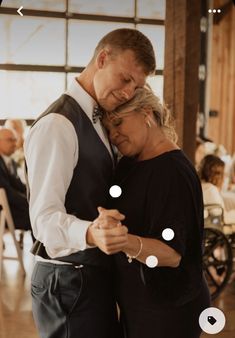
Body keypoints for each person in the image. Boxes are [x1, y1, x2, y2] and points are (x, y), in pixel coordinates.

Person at [24, 28, 156, 338]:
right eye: (125, 79)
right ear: (102, 58)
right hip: (68, 280)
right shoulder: (58, 125)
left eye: (136, 87)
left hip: (90, 274)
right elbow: (43, 220)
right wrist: (90, 233)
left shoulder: (101, 118)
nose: (127, 93)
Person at [96, 86, 210, 338]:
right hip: (138, 302)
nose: (114, 135)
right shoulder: (129, 165)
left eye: (118, 123)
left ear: (146, 113)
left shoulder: (172, 173)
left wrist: (122, 241)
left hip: (170, 307)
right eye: (108, 129)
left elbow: (171, 254)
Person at [0, 128, 31, 233]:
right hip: (3, 213)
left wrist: (34, 195)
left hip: (12, 209)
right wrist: (30, 203)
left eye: (15, 139)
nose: (15, 143)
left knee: (39, 215)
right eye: (10, 140)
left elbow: (20, 186)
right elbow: (7, 192)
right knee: (37, 218)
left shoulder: (11, 162)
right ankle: (40, 249)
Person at [198, 154, 235, 225]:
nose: (224, 179)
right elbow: (220, 217)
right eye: (223, 174)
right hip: (216, 228)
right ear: (216, 175)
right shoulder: (211, 190)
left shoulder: (201, 186)